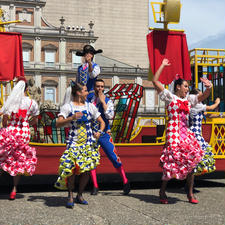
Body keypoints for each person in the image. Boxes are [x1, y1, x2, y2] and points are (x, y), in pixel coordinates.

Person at [152, 58, 212, 204]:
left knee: (192, 161)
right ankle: (162, 191)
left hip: (186, 132)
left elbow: (203, 96)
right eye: (185, 86)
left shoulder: (189, 100)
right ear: (178, 87)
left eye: (187, 87)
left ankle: (190, 193)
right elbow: (154, 81)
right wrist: (162, 65)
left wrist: (209, 87)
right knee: (171, 161)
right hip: (173, 133)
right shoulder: (170, 97)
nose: (187, 89)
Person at [54, 81, 105, 208]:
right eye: (85, 90)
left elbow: (102, 122)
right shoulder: (68, 107)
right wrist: (72, 118)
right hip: (73, 143)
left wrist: (99, 132)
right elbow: (58, 123)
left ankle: (80, 194)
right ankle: (70, 195)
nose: (88, 92)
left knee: (86, 171)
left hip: (88, 143)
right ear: (78, 92)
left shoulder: (90, 106)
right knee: (71, 169)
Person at [89, 79, 130, 195]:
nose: (100, 89)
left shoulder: (108, 101)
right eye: (98, 86)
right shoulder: (89, 100)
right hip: (92, 134)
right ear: (94, 87)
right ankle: (95, 186)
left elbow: (110, 116)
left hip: (104, 134)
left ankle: (125, 181)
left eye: (102, 87)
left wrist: (103, 103)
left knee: (114, 157)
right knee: (92, 159)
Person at [0, 76, 39, 200]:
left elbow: (5, 120)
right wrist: (26, 123)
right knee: (18, 159)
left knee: (3, 157)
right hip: (23, 132)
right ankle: (14, 189)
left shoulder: (10, 102)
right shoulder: (32, 103)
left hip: (11, 130)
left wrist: (8, 126)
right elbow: (36, 120)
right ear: (27, 89)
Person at [189, 89, 220, 175]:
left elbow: (206, 113)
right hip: (194, 133)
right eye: (200, 96)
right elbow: (211, 108)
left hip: (196, 132)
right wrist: (217, 102)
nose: (201, 97)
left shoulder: (198, 105)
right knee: (204, 150)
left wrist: (220, 114)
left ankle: (195, 171)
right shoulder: (195, 105)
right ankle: (198, 169)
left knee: (199, 153)